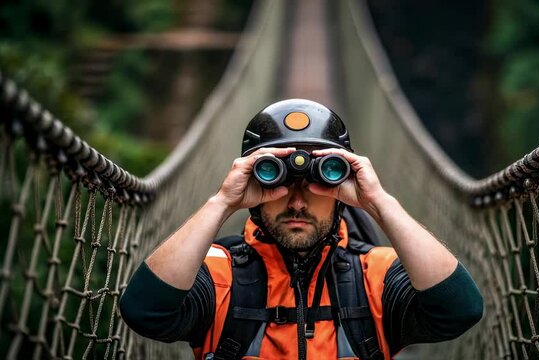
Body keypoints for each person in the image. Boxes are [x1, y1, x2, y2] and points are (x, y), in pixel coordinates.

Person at [119, 99, 483, 360]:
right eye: (277, 185)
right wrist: (222, 202)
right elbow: (145, 312)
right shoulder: (219, 273)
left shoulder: (375, 274)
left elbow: (459, 310)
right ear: (255, 193)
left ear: (341, 193)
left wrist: (379, 203)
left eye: (315, 185)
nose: (297, 202)